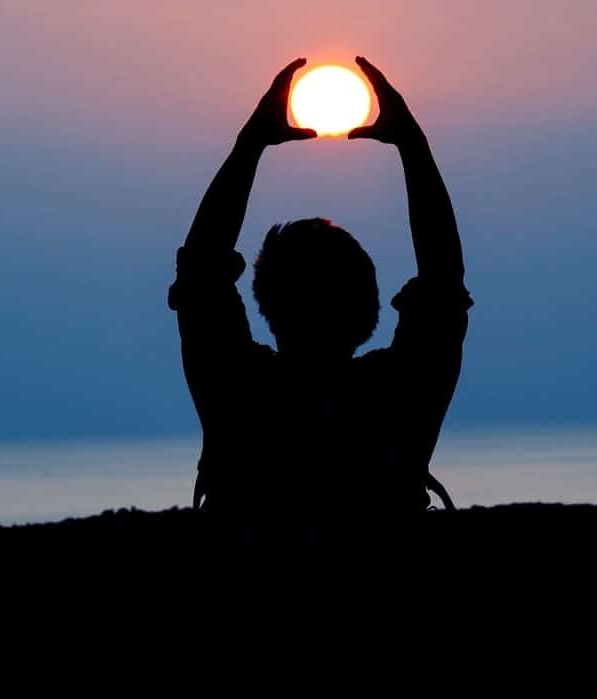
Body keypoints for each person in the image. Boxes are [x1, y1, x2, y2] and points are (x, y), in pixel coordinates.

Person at [168, 56, 471, 518]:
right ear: (370, 307)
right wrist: (412, 145)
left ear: (267, 299)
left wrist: (250, 145)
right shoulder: (400, 396)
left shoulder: (238, 390)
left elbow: (201, 274)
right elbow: (443, 282)